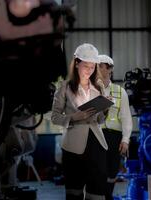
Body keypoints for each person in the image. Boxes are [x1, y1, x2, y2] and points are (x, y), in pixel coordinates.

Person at [51, 43, 108, 200]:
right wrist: (74, 117)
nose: (89, 70)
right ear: (76, 63)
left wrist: (104, 110)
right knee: (74, 193)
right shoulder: (64, 87)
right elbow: (54, 117)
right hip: (73, 147)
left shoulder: (98, 87)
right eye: (86, 66)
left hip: (97, 143)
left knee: (97, 192)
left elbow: (100, 120)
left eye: (92, 67)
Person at [97, 55, 133, 200]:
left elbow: (126, 117)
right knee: (98, 170)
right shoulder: (89, 90)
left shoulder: (120, 92)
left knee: (112, 171)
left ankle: (108, 195)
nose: (97, 69)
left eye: (100, 66)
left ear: (109, 69)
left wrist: (125, 140)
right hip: (96, 135)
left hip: (114, 137)